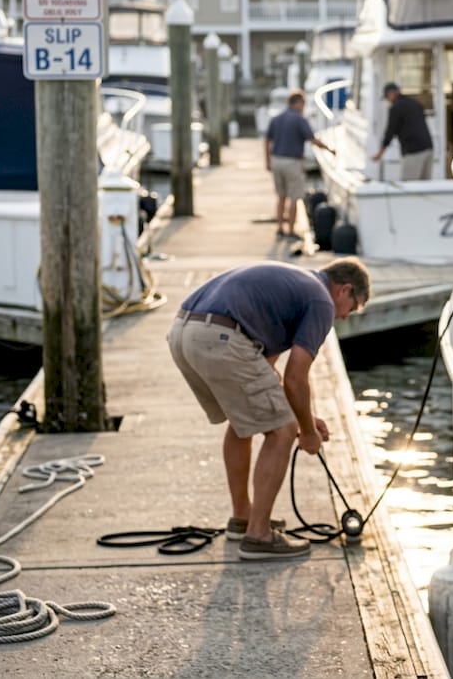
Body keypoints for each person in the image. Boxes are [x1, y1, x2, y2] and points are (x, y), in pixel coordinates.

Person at [167, 258, 370, 560]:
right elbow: (295, 377)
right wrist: (307, 432)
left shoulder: (296, 284)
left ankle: (243, 518)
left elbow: (265, 373)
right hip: (220, 338)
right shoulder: (321, 301)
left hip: (184, 332)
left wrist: (304, 418)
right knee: (282, 432)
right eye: (351, 309)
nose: (343, 318)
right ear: (344, 290)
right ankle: (259, 536)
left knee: (242, 422)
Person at [266, 89, 335, 239]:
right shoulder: (299, 120)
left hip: (276, 160)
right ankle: (290, 230)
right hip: (292, 162)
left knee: (281, 197)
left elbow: (267, 140)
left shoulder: (276, 118)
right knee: (295, 197)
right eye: (303, 104)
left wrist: (267, 161)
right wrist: (330, 149)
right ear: (298, 103)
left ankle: (279, 228)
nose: (303, 107)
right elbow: (312, 140)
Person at [371, 82, 434, 180]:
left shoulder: (396, 108)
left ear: (391, 94)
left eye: (387, 98)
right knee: (425, 186)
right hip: (428, 148)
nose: (388, 101)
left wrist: (380, 153)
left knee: (408, 187)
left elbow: (390, 132)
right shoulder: (415, 103)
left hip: (414, 151)